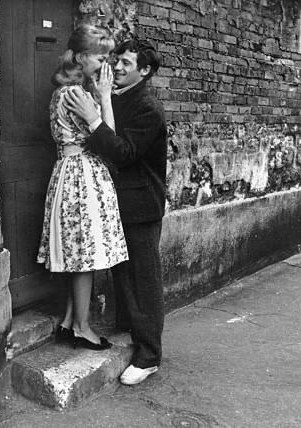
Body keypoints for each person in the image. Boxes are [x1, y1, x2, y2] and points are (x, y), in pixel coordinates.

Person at [64, 39, 167, 385]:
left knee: (144, 278)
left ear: (145, 71)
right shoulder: (121, 97)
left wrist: (94, 118)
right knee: (124, 273)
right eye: (116, 61)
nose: (117, 68)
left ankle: (149, 355)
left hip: (141, 204)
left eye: (126, 63)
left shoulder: (148, 108)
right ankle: (131, 331)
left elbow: (122, 153)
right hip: (117, 200)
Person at [36, 24, 129, 350]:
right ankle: (81, 326)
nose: (106, 64)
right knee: (85, 255)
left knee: (80, 252)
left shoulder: (71, 92)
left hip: (74, 171)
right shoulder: (76, 95)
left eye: (109, 57)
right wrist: (105, 96)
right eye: (100, 57)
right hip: (82, 174)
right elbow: (109, 140)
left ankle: (67, 321)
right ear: (78, 56)